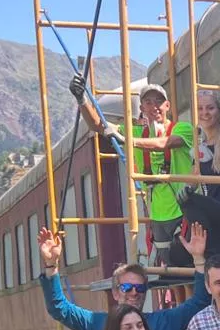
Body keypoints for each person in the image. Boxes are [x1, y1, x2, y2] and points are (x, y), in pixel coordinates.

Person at [72, 78, 195, 266]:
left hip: (184, 211)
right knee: (172, 273)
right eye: (148, 102)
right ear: (142, 109)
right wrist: (82, 100)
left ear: (167, 105)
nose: (154, 106)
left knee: (190, 266)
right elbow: (98, 126)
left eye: (159, 102)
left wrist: (127, 140)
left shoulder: (182, 128)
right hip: (157, 216)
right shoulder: (137, 133)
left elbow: (166, 143)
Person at [36, 220, 208, 330]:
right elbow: (59, 309)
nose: (134, 292)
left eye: (140, 288)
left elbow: (199, 302)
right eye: (127, 287)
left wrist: (199, 258)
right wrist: (51, 265)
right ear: (116, 292)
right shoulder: (97, 322)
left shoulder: (164, 322)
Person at [177, 89, 220, 261]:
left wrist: (188, 197)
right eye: (200, 109)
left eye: (210, 108)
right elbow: (194, 177)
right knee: (179, 251)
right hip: (215, 216)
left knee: (191, 203)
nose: (205, 113)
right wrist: (186, 188)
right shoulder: (200, 146)